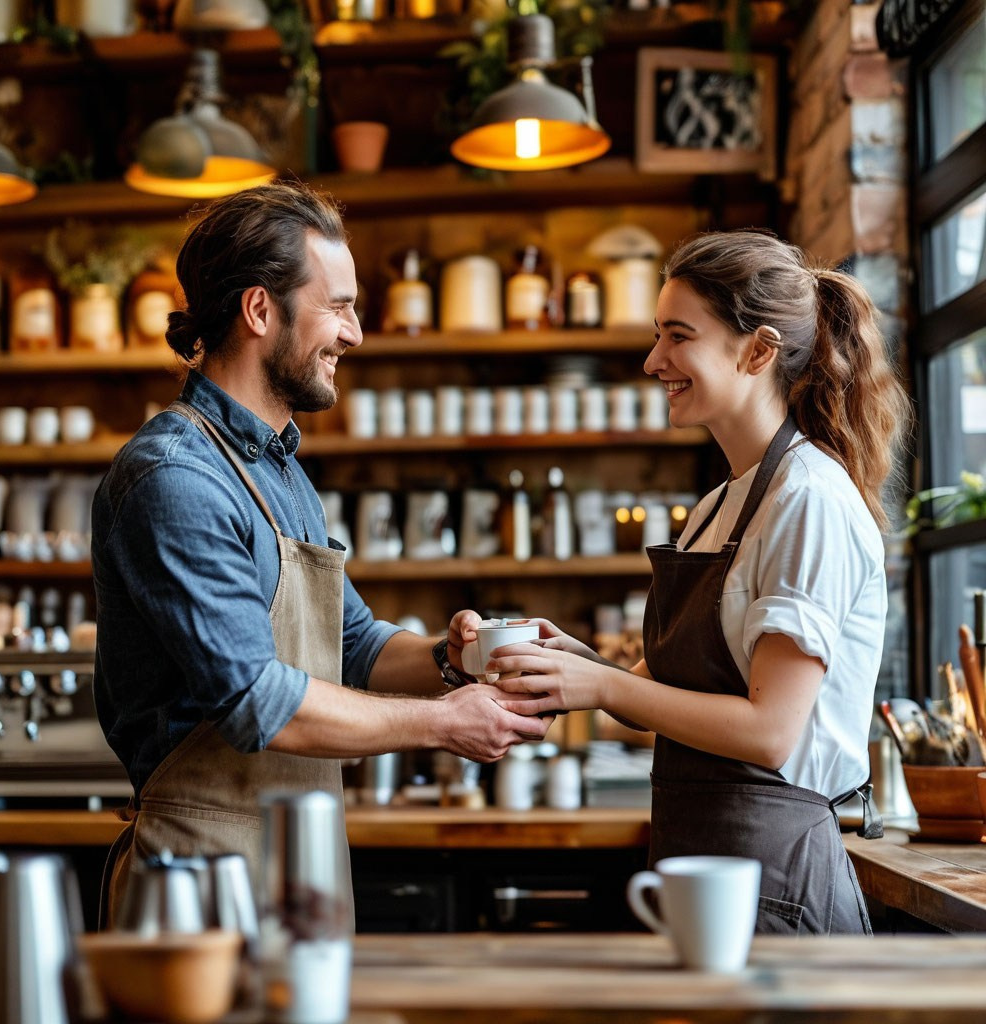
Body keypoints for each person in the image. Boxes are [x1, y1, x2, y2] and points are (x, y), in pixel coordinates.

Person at [92, 181, 550, 921]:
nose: (355, 333)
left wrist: (449, 655)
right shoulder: (173, 477)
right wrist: (444, 722)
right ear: (259, 310)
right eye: (337, 305)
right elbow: (255, 701)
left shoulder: (278, 468)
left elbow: (354, 641)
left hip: (297, 864)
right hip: (198, 886)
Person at [454, 229, 912, 935]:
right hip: (699, 859)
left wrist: (602, 685)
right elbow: (651, 696)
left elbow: (770, 733)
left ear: (757, 351)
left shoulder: (810, 500)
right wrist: (570, 662)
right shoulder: (718, 507)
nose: (653, 360)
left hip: (775, 880)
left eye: (677, 335)